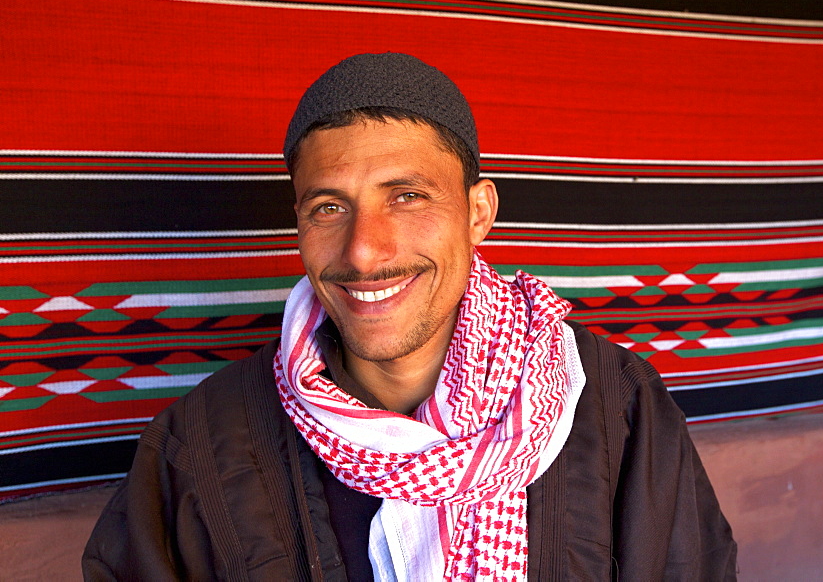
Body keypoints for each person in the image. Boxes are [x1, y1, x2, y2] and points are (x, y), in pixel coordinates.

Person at [83, 52, 737, 580]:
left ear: (478, 212)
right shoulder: (200, 443)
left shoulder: (614, 406)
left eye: (407, 196)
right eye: (329, 208)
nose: (365, 251)